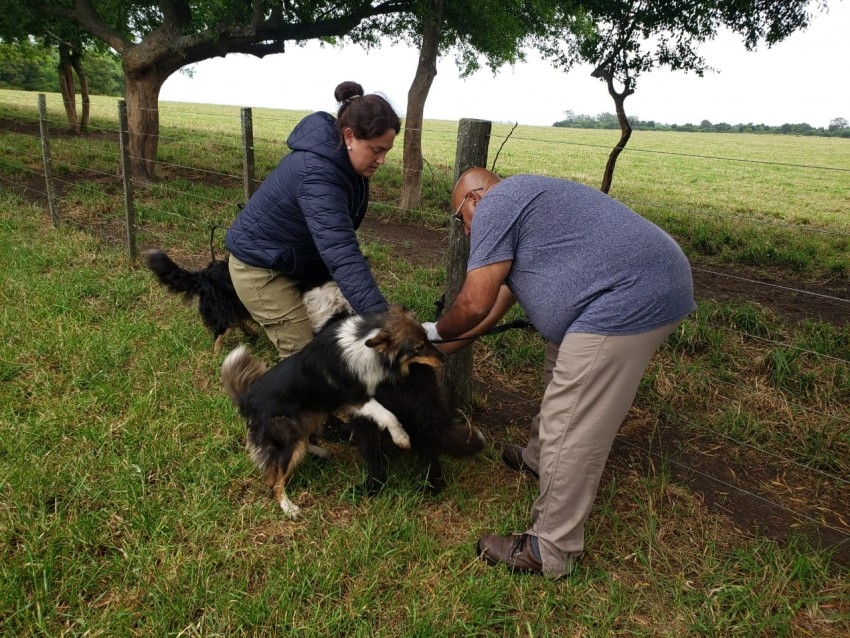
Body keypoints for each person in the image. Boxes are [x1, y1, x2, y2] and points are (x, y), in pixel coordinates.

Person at [423, 167, 696, 579]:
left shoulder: (497, 205)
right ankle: (538, 459)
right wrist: (429, 351)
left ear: (474, 199)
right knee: (562, 358)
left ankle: (549, 548)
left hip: (628, 296)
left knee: (570, 418)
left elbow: (475, 304)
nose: (465, 233)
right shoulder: (527, 214)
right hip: (640, 283)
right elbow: (492, 311)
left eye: (459, 219)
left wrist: (434, 330)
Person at [226, 81, 400, 358]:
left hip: (295, 260)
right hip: (260, 266)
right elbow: (341, 253)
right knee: (306, 359)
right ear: (349, 136)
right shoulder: (318, 175)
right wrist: (388, 323)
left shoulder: (346, 164)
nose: (381, 160)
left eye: (386, 151)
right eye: (376, 150)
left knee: (337, 342)